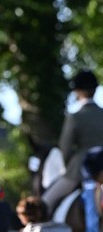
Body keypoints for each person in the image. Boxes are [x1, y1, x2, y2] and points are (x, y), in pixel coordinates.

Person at [43, 70, 103, 216]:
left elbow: (65, 147)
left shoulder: (75, 117)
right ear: (95, 90)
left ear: (77, 91)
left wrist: (69, 165)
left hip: (81, 168)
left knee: (45, 202)